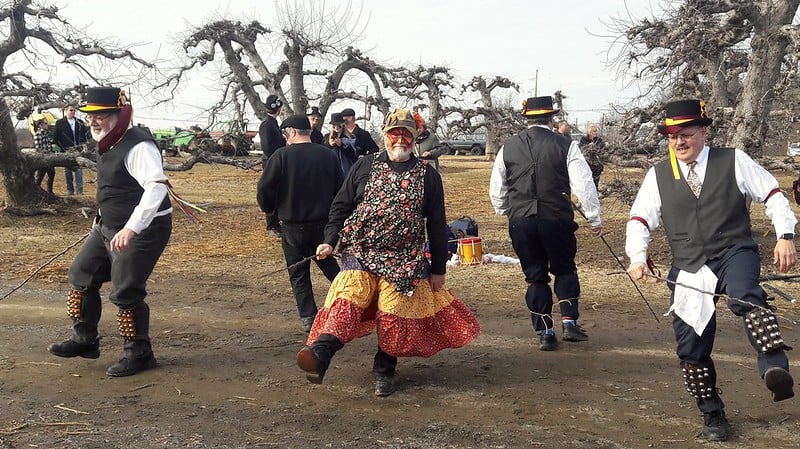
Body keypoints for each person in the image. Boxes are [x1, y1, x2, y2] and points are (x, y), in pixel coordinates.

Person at [625, 99, 796, 442]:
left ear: (704, 132)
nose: (678, 142)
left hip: (734, 249)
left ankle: (774, 364)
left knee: (744, 294)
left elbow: (774, 193)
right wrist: (637, 256)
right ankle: (712, 414)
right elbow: (640, 218)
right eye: (672, 137)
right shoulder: (659, 174)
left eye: (685, 134)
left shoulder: (733, 160)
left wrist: (785, 236)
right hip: (689, 263)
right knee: (690, 346)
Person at [296, 108, 481, 397]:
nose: (400, 140)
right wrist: (329, 241)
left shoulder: (427, 176)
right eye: (395, 134)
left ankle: (384, 369)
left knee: (392, 317)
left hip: (404, 260)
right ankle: (318, 357)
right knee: (346, 305)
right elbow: (340, 207)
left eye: (406, 134)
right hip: (360, 252)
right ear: (385, 135)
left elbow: (435, 223)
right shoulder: (363, 166)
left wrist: (438, 270)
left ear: (415, 138)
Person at [47, 86, 173, 377]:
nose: (93, 121)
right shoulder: (107, 141)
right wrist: (100, 218)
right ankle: (85, 340)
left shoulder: (139, 145)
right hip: (107, 225)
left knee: (125, 289)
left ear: (119, 114)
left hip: (145, 228)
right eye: (90, 115)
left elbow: (156, 188)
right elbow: (113, 188)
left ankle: (139, 353)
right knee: (81, 274)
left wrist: (131, 228)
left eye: (101, 115)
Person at [489, 96, 602, 351]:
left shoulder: (508, 146)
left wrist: (507, 210)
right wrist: (594, 217)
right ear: (551, 119)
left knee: (535, 276)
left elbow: (497, 189)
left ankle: (545, 332)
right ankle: (569, 321)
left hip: (522, 221)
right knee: (564, 269)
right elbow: (583, 184)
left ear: (526, 119)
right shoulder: (566, 145)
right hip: (556, 219)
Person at [256, 115, 344, 332]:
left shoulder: (281, 156)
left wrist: (269, 210)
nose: (285, 138)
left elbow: (264, 189)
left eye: (286, 134)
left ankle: (308, 317)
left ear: (292, 132)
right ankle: (349, 304)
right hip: (324, 225)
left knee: (298, 273)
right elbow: (341, 190)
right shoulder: (328, 156)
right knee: (330, 267)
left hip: (292, 225)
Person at [259, 94, 286, 237]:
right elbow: (267, 147)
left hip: (275, 160)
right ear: (279, 108)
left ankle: (276, 222)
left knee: (278, 191)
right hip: (271, 162)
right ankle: (271, 225)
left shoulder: (272, 123)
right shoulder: (267, 124)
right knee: (270, 191)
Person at [53, 104, 89, 195]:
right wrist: (57, 150)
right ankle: (70, 190)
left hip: (78, 149)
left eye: (74, 110)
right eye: (71, 110)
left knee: (79, 170)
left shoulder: (79, 122)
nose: (73, 112)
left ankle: (80, 191)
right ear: (66, 111)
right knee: (68, 171)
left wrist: (84, 146)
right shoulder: (60, 123)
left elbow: (85, 136)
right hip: (66, 150)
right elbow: (55, 138)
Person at [32, 115, 55, 194]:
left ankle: (50, 191)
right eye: (45, 123)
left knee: (51, 173)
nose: (47, 125)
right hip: (42, 159)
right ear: (40, 125)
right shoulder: (38, 134)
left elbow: (48, 145)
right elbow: (39, 148)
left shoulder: (46, 134)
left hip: (49, 158)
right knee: (40, 176)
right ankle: (35, 191)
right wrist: (46, 154)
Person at [579, 125, 605, 189]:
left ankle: (595, 196)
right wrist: (589, 146)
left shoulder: (599, 140)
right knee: (587, 184)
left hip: (597, 166)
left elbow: (602, 149)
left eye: (596, 131)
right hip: (587, 165)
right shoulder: (584, 139)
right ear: (590, 132)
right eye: (594, 131)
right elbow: (581, 149)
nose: (596, 133)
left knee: (595, 184)